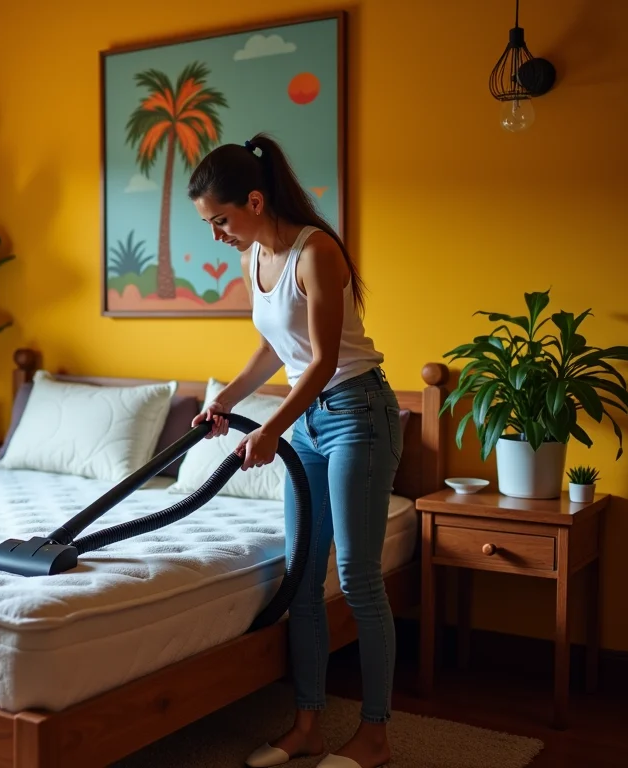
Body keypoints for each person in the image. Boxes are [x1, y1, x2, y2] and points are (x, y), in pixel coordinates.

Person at [187, 133, 401, 768]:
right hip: (309, 423)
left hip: (357, 414)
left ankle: (376, 736)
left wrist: (272, 426)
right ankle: (307, 725)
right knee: (301, 578)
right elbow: (275, 351)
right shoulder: (256, 256)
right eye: (209, 224)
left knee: (358, 578)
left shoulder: (317, 253)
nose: (218, 234)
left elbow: (325, 362)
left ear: (255, 199)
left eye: (221, 219)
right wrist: (225, 397)